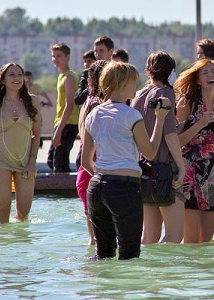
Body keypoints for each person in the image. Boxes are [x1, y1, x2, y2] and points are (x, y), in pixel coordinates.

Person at [81, 61, 171, 260]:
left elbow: (85, 160)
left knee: (102, 254)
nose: (136, 87)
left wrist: (104, 177)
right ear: (121, 83)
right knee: (129, 254)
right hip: (124, 188)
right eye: (133, 82)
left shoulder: (93, 114)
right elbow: (149, 152)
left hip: (96, 188)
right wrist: (160, 119)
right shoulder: (131, 115)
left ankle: (102, 289)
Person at [174, 58, 214, 243]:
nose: (210, 75)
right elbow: (176, 141)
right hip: (189, 172)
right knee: (191, 239)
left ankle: (206, 272)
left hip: (212, 172)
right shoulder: (187, 103)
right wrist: (200, 123)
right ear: (198, 80)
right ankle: (189, 272)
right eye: (205, 72)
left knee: (206, 240)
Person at [0, 63, 41, 224]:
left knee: (23, 214)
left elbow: (37, 133)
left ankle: (19, 246)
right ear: (3, 79)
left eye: (19, 74)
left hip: (25, 161)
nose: (16, 78)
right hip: (0, 160)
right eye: (11, 75)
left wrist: (32, 162)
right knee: (3, 211)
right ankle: (2, 246)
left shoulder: (32, 101)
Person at [131, 51, 185, 244]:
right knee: (175, 235)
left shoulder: (139, 95)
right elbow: (170, 136)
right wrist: (181, 167)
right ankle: (166, 274)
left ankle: (149, 272)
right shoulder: (166, 94)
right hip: (163, 169)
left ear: (148, 71)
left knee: (150, 235)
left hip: (143, 169)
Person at [75, 59, 108, 245]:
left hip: (85, 171)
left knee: (94, 241)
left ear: (89, 82)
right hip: (96, 170)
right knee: (104, 241)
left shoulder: (87, 102)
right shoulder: (99, 106)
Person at [47, 43, 79, 173]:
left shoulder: (69, 77)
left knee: (60, 163)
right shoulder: (61, 76)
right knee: (51, 160)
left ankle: (65, 192)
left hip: (68, 123)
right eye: (53, 56)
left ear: (67, 57)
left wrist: (59, 130)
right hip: (60, 121)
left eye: (59, 56)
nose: (56, 59)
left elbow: (69, 105)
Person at [24, 70, 52, 148]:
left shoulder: (36, 87)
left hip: (35, 111)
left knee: (37, 128)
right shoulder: (23, 87)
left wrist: (49, 101)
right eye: (26, 78)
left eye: (29, 78)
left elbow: (43, 93)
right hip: (25, 112)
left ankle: (38, 143)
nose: (28, 80)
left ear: (32, 78)